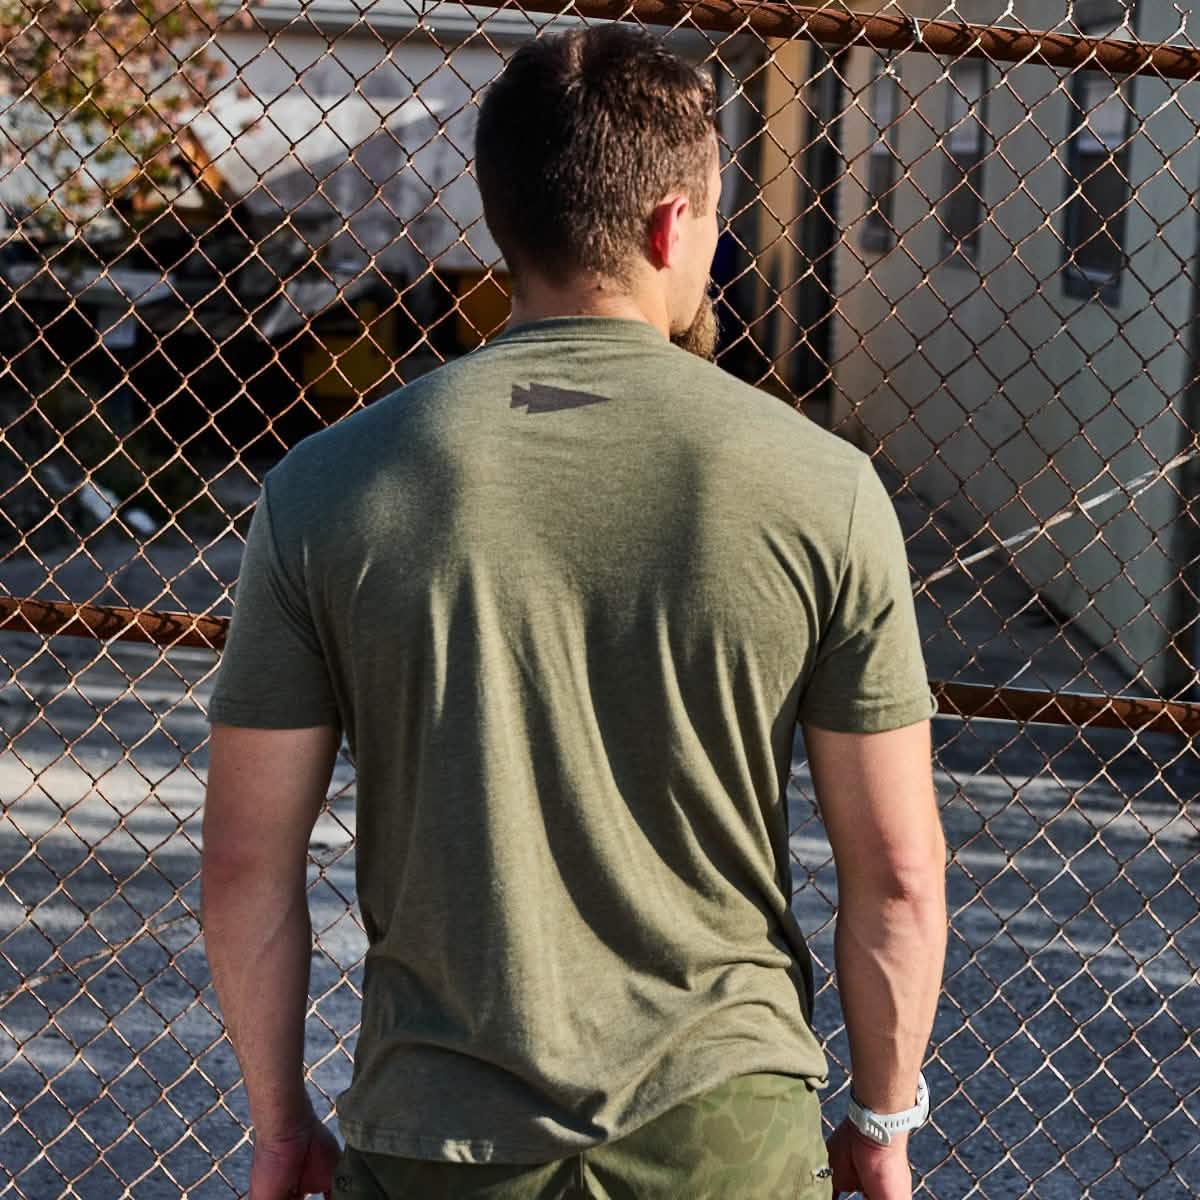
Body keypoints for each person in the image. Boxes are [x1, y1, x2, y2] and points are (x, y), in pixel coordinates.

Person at [201, 24, 947, 1200]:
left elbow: (246, 860)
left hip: (437, 1137)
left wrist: (281, 1124)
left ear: (503, 218)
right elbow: (899, 872)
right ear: (671, 225)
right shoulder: (824, 488)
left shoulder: (324, 489)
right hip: (722, 1133)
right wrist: (883, 1117)